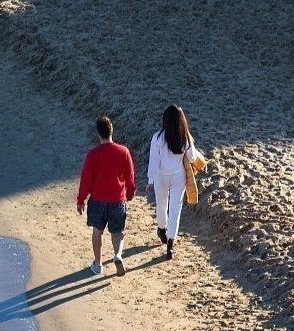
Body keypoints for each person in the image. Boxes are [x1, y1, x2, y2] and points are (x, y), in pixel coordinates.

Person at [76, 115, 136, 276]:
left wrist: (81, 200)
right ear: (112, 131)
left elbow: (86, 179)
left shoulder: (93, 154)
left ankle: (98, 264)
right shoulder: (123, 152)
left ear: (98, 134)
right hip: (117, 199)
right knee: (117, 232)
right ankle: (117, 255)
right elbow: (130, 176)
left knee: (97, 231)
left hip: (98, 200)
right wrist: (130, 192)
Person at [146, 105, 205, 260]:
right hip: (178, 176)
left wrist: (150, 180)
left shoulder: (158, 138)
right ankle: (171, 243)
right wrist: (202, 162)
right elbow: (193, 157)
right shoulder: (185, 137)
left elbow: (153, 162)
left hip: (161, 177)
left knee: (161, 204)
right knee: (175, 208)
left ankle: (161, 229)